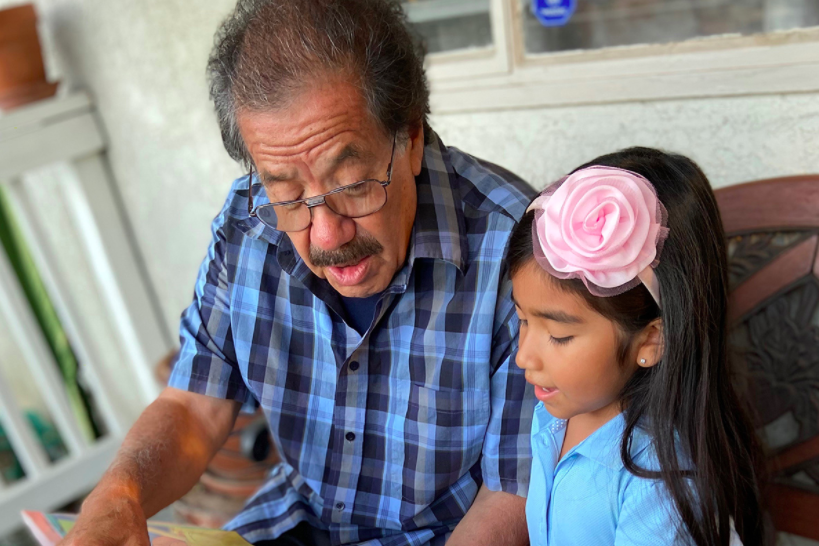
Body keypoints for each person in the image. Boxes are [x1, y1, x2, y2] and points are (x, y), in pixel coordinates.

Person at [59, 1, 535, 545]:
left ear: (410, 138)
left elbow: (513, 492)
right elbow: (192, 407)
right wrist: (120, 494)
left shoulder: (514, 248)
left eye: (353, 185)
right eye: (287, 196)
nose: (327, 235)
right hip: (293, 524)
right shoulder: (246, 224)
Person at [507, 147, 765, 545]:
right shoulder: (556, 414)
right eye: (523, 320)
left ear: (650, 339)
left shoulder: (661, 485)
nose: (523, 356)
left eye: (559, 335)